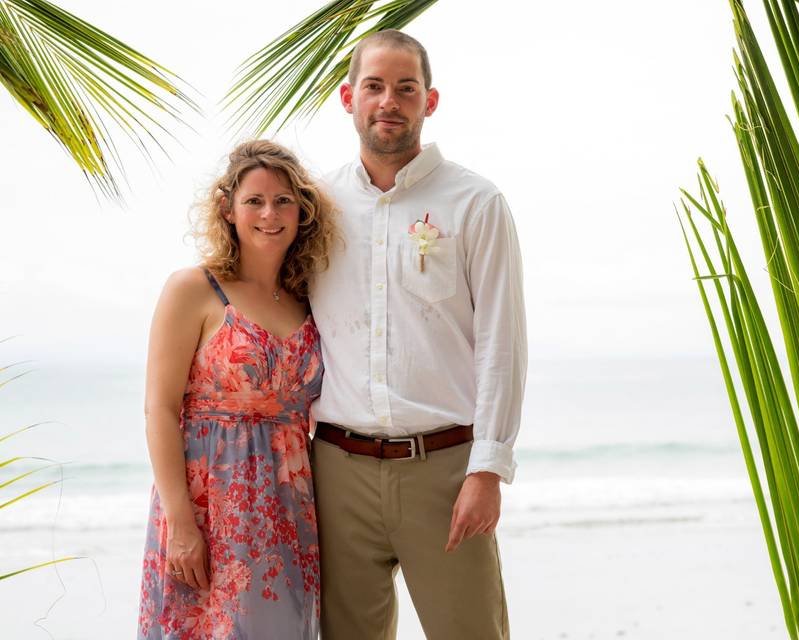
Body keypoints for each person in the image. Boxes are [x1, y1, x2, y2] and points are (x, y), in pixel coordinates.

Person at [310, 29, 526, 639]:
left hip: (445, 469)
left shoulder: (476, 202)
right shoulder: (317, 204)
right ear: (348, 97)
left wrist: (488, 470)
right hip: (336, 470)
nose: (389, 101)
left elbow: (502, 344)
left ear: (429, 102)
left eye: (406, 88)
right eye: (374, 86)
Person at [137, 140, 338, 639]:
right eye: (254, 201)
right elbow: (159, 410)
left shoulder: (309, 298)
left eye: (283, 201)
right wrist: (181, 525)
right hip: (209, 509)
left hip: (290, 511)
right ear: (228, 209)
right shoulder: (195, 289)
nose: (270, 214)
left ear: (302, 211)